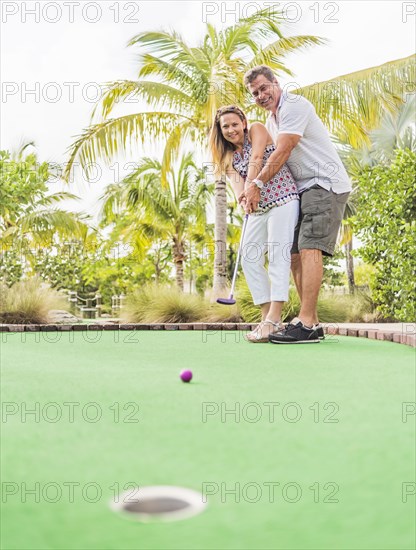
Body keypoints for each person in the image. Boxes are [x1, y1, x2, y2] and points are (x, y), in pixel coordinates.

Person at [241, 65, 352, 344]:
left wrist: (257, 185)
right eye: (255, 93)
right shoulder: (271, 121)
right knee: (292, 254)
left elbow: (284, 150)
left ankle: (305, 320)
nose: (261, 95)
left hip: (323, 183)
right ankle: (311, 322)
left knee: (309, 247)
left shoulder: (294, 105)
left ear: (276, 83)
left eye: (264, 88)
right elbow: (261, 157)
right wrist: (247, 186)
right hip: (301, 189)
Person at [209, 105, 299, 342]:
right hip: (258, 209)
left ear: (244, 122)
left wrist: (250, 187)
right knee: (249, 257)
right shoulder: (227, 157)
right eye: (225, 126)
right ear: (220, 130)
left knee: (278, 255)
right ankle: (267, 318)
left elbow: (257, 158)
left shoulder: (257, 130)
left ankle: (274, 318)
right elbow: (237, 186)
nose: (231, 129)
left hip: (282, 199)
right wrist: (243, 199)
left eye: (234, 124)